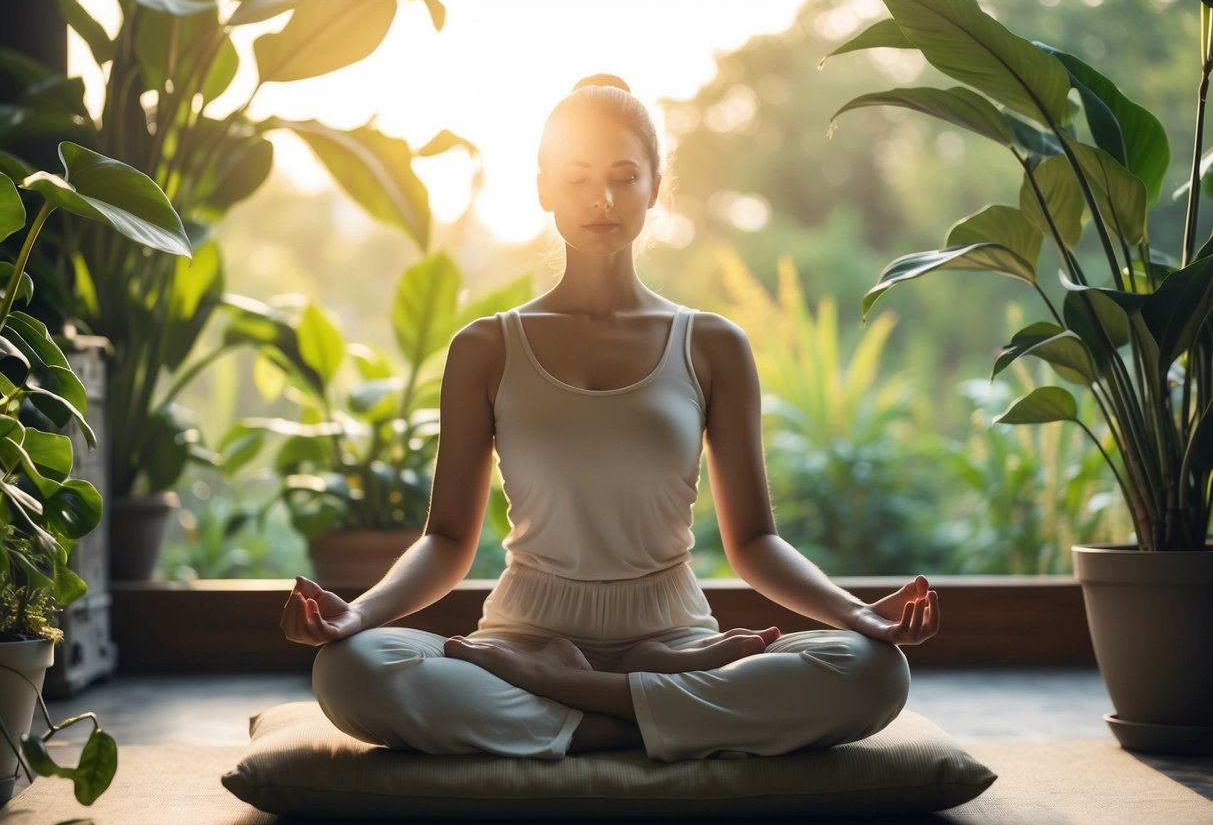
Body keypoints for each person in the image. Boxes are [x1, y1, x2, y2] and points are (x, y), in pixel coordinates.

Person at [280, 74, 940, 761]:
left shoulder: (711, 344)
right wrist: (357, 615)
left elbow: (753, 544)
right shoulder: (485, 348)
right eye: (577, 179)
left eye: (625, 177)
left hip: (677, 638)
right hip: (523, 638)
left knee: (870, 671)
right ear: (542, 189)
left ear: (656, 188)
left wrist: (856, 615)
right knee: (351, 669)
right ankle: (646, 709)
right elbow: (447, 540)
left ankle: (569, 702)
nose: (600, 200)